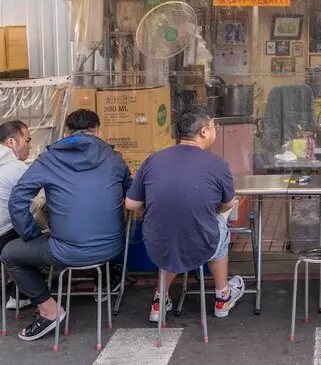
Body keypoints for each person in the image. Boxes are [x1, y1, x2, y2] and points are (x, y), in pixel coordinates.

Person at [1, 109, 130, 341]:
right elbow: (131, 199)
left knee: (10, 253)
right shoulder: (115, 159)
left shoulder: (48, 161)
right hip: (112, 249)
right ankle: (106, 281)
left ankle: (49, 310)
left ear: (66, 132)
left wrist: (30, 233)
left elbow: (18, 197)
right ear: (97, 131)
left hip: (65, 251)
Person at [125, 105, 245, 322]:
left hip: (157, 240)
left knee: (172, 234)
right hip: (201, 240)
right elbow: (228, 204)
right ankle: (222, 297)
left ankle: (159, 301)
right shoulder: (216, 164)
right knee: (219, 226)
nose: (215, 131)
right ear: (204, 132)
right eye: (213, 127)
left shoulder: (153, 160)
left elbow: (131, 204)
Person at [0, 121, 32, 309]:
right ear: (12, 142)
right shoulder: (16, 168)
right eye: (27, 140)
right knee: (41, 237)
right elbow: (36, 202)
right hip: (3, 236)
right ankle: (21, 294)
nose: (29, 145)